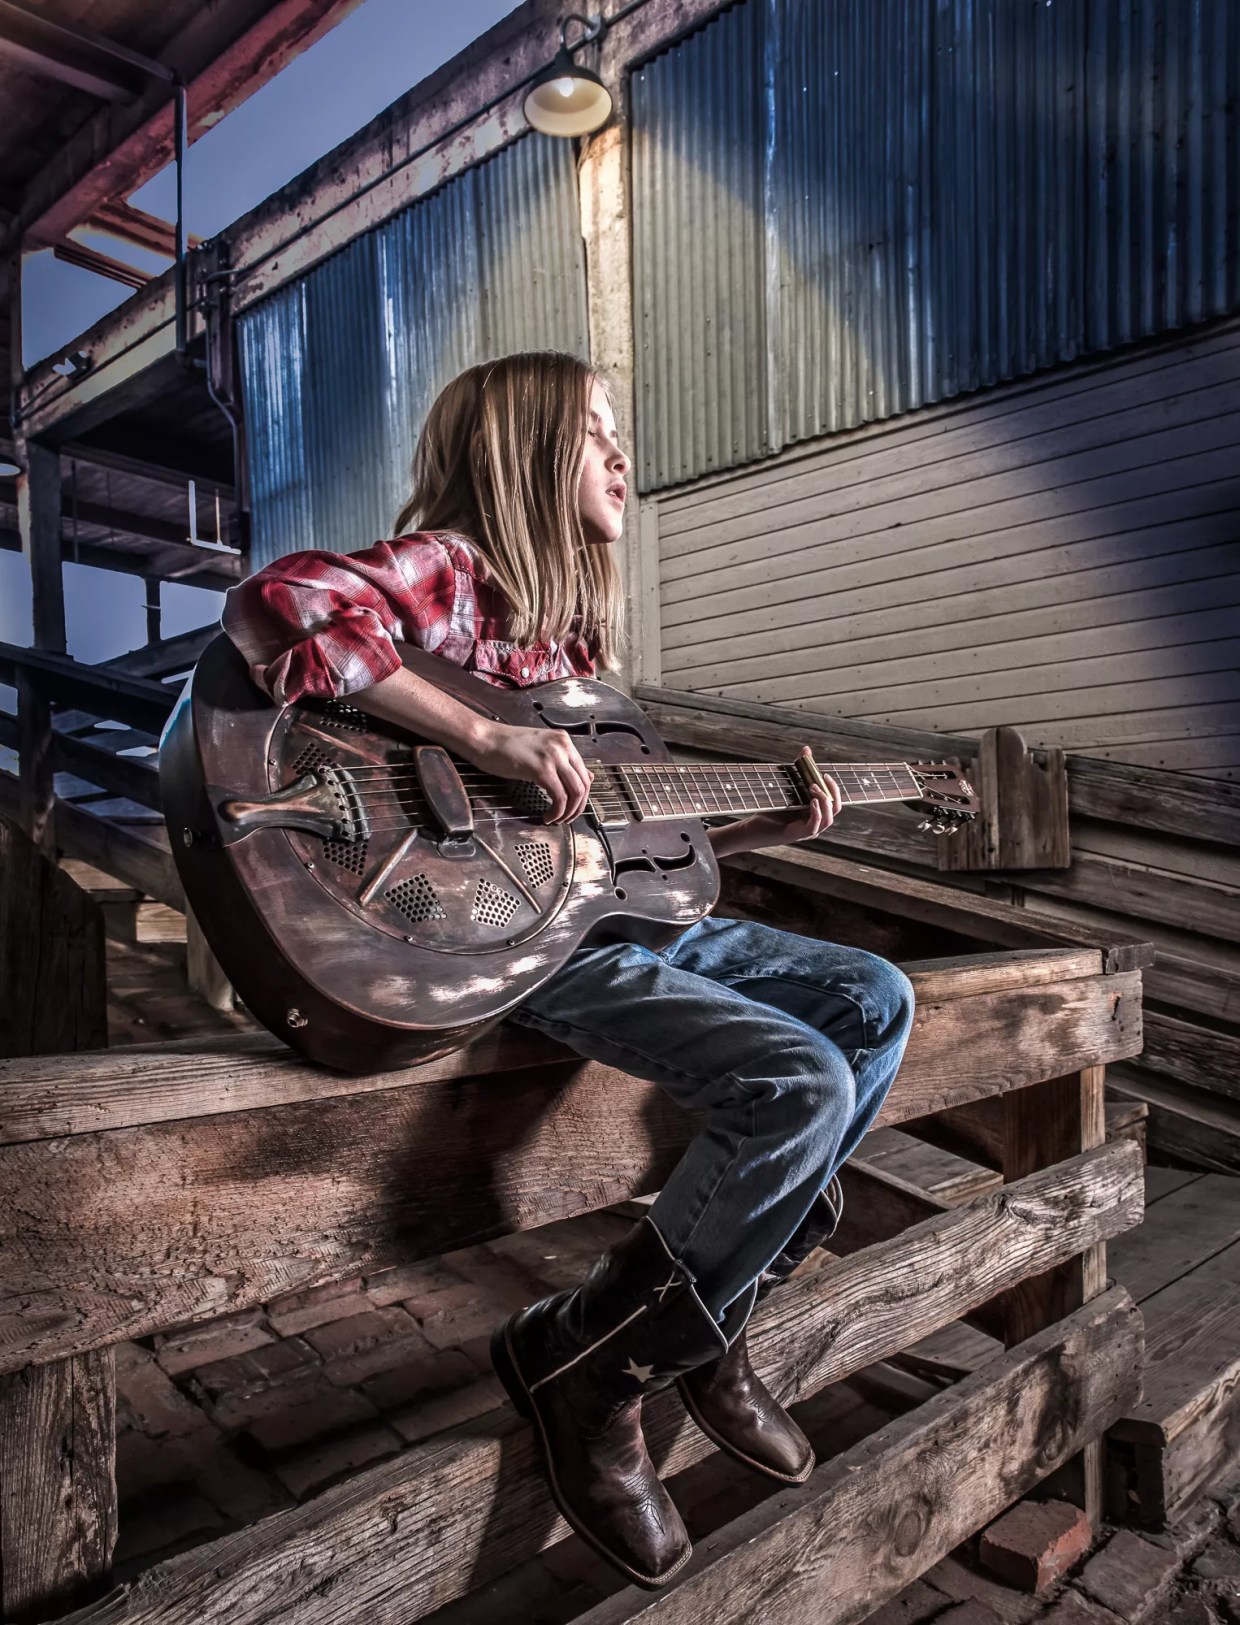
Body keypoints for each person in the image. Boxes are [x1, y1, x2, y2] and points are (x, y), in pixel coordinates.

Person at [222, 350, 915, 1590]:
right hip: (521, 939)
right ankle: (596, 1368)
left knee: (877, 997)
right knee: (801, 1081)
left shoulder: (570, 640)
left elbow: (615, 841)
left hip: (626, 913)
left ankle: (702, 1321)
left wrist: (764, 826)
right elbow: (283, 599)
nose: (620, 454)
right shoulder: (452, 573)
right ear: (526, 447)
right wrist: (483, 731)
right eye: (594, 429)